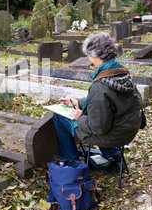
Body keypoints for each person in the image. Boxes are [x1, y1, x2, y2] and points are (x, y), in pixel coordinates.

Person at [53, 32, 142, 169]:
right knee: (98, 116)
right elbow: (105, 103)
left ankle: (71, 165)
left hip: (113, 136)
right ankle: (113, 155)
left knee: (59, 117)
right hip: (129, 129)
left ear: (95, 56)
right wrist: (76, 102)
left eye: (89, 56)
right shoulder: (121, 71)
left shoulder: (100, 85)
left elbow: (98, 127)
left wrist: (80, 117)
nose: (89, 59)